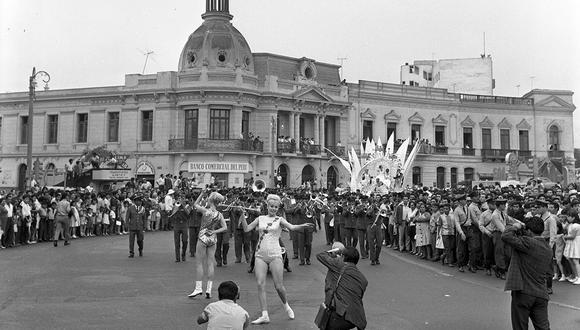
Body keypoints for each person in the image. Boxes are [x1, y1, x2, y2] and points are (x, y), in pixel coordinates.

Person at [240, 194, 314, 325]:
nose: (273, 209)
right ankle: (264, 315)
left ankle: (286, 306)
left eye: (275, 207)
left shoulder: (280, 219)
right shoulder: (260, 218)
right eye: (271, 206)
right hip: (260, 255)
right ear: (267, 206)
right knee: (260, 284)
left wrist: (303, 225)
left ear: (278, 207)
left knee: (278, 286)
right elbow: (246, 229)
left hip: (275, 254)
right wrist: (242, 214)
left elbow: (292, 227)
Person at [502, 217, 552, 330]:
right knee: (543, 327)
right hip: (541, 294)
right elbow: (549, 273)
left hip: (523, 292)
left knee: (520, 326)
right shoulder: (548, 248)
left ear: (529, 231)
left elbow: (506, 236)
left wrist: (515, 226)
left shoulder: (528, 242)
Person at [188, 190, 228, 299]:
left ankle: (198, 288)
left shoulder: (205, 211)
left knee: (199, 263)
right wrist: (214, 232)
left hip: (203, 236)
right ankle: (209, 289)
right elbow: (225, 227)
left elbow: (195, 204)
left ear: (210, 200)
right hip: (212, 237)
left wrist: (201, 194)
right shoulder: (219, 215)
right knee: (210, 263)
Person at [317, 245, 368, 330]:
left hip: (339, 316)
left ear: (343, 257)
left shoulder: (339, 264)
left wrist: (335, 250)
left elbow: (320, 255)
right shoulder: (363, 279)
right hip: (356, 318)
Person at [170, 198, 189, 262]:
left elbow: (188, 214)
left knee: (185, 241)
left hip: (184, 225)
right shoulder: (175, 208)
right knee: (177, 242)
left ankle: (183, 254)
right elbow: (171, 216)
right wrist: (175, 208)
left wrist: (183, 207)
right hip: (177, 225)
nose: (179, 203)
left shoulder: (185, 207)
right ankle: (177, 258)